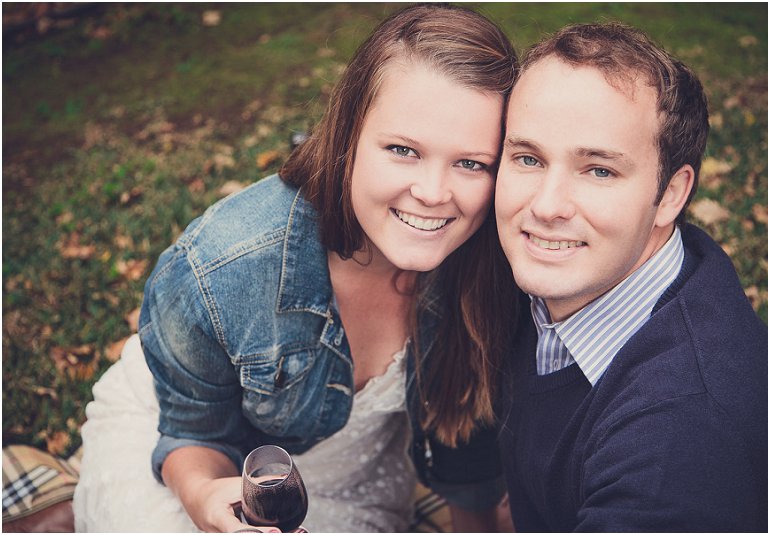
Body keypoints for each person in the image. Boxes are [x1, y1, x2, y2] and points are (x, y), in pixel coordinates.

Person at [73, 4, 520, 532]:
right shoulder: (221, 269)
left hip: (351, 474)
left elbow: (466, 437)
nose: (432, 192)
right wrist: (205, 499)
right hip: (197, 462)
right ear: (348, 135)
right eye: (403, 150)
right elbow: (194, 435)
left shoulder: (490, 258)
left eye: (471, 163)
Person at [494, 22, 768, 532]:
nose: (545, 206)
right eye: (528, 158)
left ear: (671, 194)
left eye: (599, 170)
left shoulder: (681, 439)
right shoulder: (590, 275)